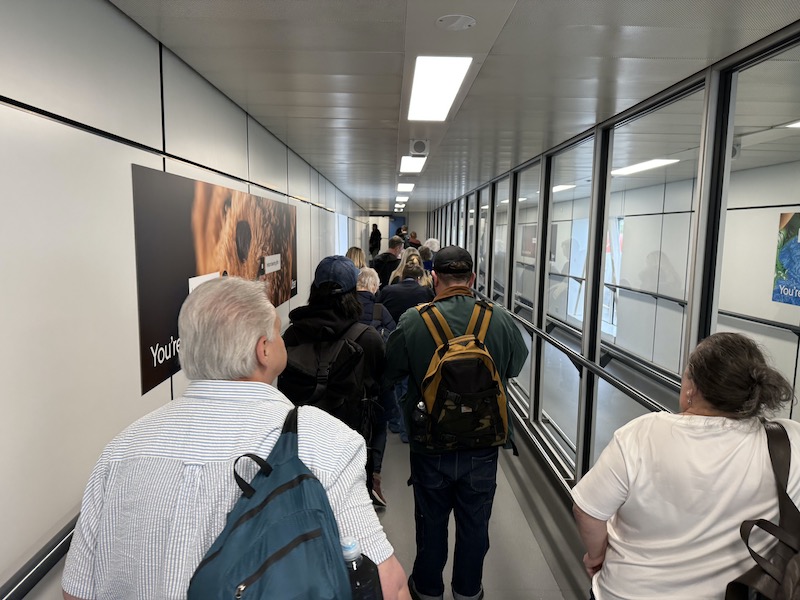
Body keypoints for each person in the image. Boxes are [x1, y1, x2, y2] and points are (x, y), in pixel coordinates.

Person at [62, 276, 410, 600]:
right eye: (277, 333)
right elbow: (388, 586)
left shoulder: (121, 448)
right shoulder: (323, 440)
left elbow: (76, 591)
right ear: (263, 350)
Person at [572, 332, 799, 600]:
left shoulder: (642, 434)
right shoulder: (789, 441)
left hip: (628, 592)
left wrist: (596, 556)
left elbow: (587, 511)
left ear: (692, 388)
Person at [385, 246, 528, 600]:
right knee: (475, 525)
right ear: (473, 278)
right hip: (483, 444)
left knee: (430, 524)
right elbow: (514, 366)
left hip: (430, 444)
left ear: (434, 278)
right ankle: (468, 591)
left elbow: (391, 371)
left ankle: (428, 590)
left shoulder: (414, 320)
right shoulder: (499, 319)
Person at [280, 256, 386, 490]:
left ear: (314, 290)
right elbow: (379, 393)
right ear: (353, 294)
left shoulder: (292, 335)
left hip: (301, 447)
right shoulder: (367, 338)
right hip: (349, 448)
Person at [356, 267, 397, 507]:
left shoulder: (346, 309)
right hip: (378, 381)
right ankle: (375, 477)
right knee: (379, 426)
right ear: (373, 287)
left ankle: (355, 475)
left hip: (351, 381)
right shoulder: (381, 311)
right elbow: (394, 342)